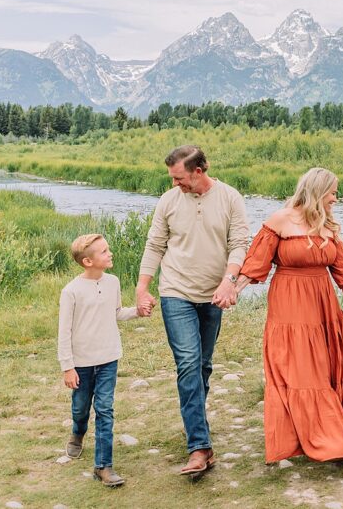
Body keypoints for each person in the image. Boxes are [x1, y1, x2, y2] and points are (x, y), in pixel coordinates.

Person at [216, 167, 343, 463]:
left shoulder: (328, 226)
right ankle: (308, 437)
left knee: (323, 366)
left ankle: (327, 432)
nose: (336, 199)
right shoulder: (280, 220)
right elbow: (256, 263)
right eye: (333, 192)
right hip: (290, 303)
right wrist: (234, 289)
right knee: (297, 367)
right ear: (318, 191)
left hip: (322, 304)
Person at [136, 145, 251, 477]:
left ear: (199, 171)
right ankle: (200, 447)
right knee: (187, 363)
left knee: (201, 366)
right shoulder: (168, 201)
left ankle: (194, 421)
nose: (175, 184)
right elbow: (155, 244)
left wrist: (230, 281)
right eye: (172, 178)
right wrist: (143, 286)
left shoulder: (230, 198)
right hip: (176, 292)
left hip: (213, 295)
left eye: (180, 178)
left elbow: (239, 244)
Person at [57, 233, 142, 487]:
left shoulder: (113, 282)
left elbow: (116, 312)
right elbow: (64, 332)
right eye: (104, 252)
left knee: (105, 409)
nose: (110, 254)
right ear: (87, 262)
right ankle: (78, 432)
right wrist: (68, 367)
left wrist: (138, 311)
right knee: (81, 407)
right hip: (81, 362)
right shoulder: (71, 291)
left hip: (108, 358)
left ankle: (103, 466)